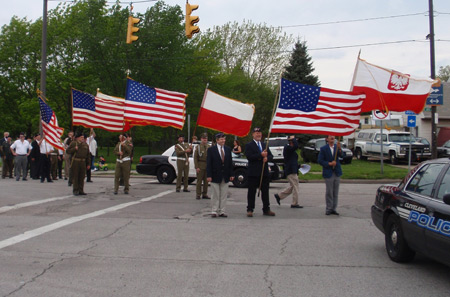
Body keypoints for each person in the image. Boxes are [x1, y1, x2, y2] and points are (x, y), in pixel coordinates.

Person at [245, 127, 275, 217]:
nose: (258, 135)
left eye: (259, 133)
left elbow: (271, 156)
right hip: (253, 173)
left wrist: (267, 158)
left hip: (264, 172)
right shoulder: (249, 145)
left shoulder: (264, 144)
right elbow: (249, 157)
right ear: (253, 134)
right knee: (251, 192)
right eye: (256, 133)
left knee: (265, 192)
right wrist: (260, 155)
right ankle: (250, 209)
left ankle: (266, 209)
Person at [207, 132, 234, 217]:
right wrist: (209, 175)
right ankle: (214, 211)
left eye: (224, 139)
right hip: (215, 175)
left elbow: (230, 162)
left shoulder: (227, 149)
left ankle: (222, 211)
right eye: (221, 139)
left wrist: (231, 174)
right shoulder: (211, 150)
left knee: (223, 194)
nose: (223, 140)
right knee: (215, 194)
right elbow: (209, 163)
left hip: (225, 175)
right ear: (217, 140)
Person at [274, 136, 303, 208]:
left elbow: (292, 161)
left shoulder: (291, 150)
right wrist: (293, 139)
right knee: (296, 187)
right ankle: (294, 203)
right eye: (294, 141)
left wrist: (299, 166)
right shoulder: (287, 148)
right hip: (290, 171)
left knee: (293, 186)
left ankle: (279, 196)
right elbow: (296, 146)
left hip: (293, 169)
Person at [318, 135, 343, 216]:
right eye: (330, 136)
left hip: (336, 172)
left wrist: (339, 148)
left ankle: (334, 208)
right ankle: (329, 208)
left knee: (335, 192)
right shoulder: (323, 149)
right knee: (329, 192)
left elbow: (342, 156)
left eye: (333, 136)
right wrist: (329, 163)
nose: (332, 137)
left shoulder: (336, 147)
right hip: (328, 173)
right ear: (327, 139)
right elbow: (320, 161)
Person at [194, 133, 210, 200]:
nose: (204, 140)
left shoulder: (209, 147)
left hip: (207, 165)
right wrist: (197, 167)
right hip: (200, 165)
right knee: (199, 181)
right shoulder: (198, 147)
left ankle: (205, 194)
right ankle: (198, 194)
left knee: (206, 182)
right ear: (201, 139)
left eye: (206, 139)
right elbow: (195, 158)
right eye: (203, 139)